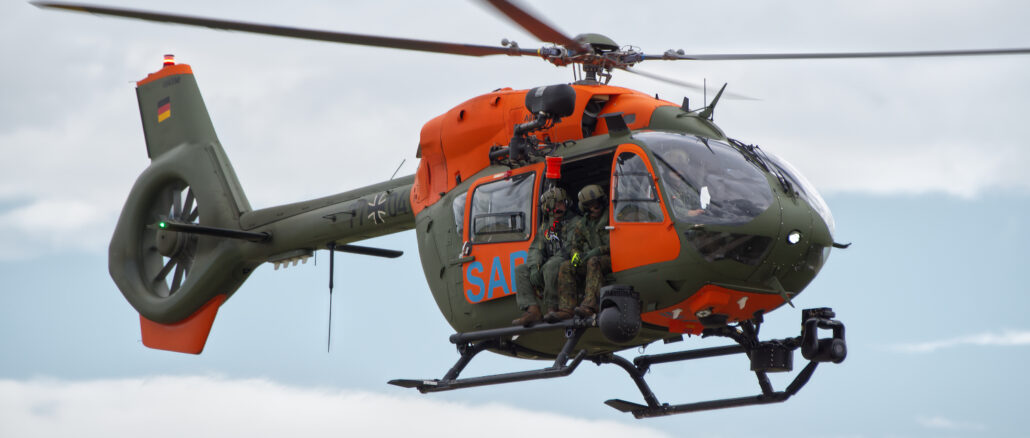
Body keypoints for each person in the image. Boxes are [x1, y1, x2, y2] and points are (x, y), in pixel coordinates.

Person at [511, 187, 580, 326]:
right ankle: (532, 310)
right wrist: (534, 267)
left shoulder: (576, 222)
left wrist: (550, 262)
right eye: (556, 204)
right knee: (521, 270)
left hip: (572, 263)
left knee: (551, 265)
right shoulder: (546, 227)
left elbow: (572, 247)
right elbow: (536, 249)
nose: (559, 207)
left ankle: (552, 308)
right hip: (551, 267)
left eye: (562, 203)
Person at [551, 184, 611, 321]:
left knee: (593, 261)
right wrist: (575, 257)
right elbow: (575, 245)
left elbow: (620, 240)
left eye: (596, 204)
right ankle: (566, 309)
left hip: (613, 258)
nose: (594, 208)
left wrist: (599, 250)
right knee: (566, 266)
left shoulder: (611, 216)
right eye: (589, 205)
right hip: (592, 260)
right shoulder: (583, 224)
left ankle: (590, 306)